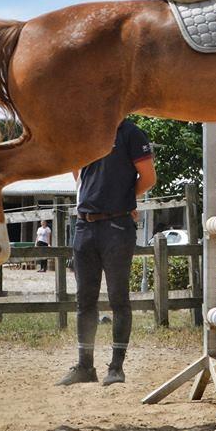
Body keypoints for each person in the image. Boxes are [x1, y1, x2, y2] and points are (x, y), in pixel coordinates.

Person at [56, 119, 157, 386]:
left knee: (118, 298)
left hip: (117, 226)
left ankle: (116, 367)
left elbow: (148, 177)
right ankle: (85, 366)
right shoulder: (85, 130)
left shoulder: (131, 133)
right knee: (84, 300)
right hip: (84, 225)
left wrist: (124, 198)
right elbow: (77, 172)